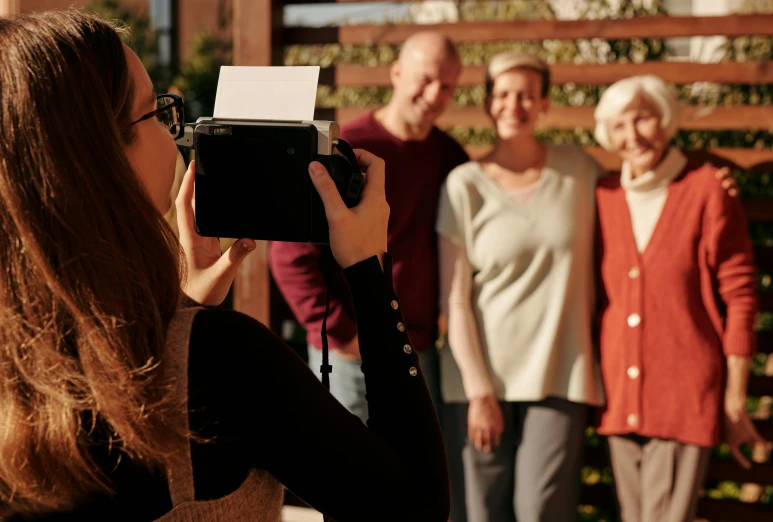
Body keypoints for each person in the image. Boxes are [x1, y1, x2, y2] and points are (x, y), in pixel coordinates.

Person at [0, 10, 449, 522]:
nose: (175, 136)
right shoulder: (221, 363)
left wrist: (182, 311)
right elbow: (418, 506)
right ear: (100, 156)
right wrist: (369, 271)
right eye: (155, 113)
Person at [436, 51, 605, 522]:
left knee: (541, 512)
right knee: (481, 513)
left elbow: (642, 190)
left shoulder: (579, 171)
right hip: (478, 381)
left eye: (528, 95)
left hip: (560, 373)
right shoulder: (463, 185)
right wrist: (479, 392)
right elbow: (455, 298)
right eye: (504, 94)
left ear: (545, 104)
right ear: (488, 103)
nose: (516, 105)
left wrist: (705, 180)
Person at [592, 74, 770, 522]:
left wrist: (735, 397)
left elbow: (741, 295)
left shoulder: (707, 189)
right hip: (617, 399)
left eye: (643, 119)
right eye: (619, 126)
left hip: (685, 395)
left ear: (667, 121)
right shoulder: (603, 196)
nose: (632, 136)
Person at [269, 31, 469, 424]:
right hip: (351, 354)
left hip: (418, 351)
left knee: (416, 479)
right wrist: (345, 335)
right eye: (425, 79)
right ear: (396, 73)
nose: (434, 95)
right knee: (347, 479)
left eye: (447, 86)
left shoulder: (450, 156)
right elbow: (291, 255)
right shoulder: (347, 149)